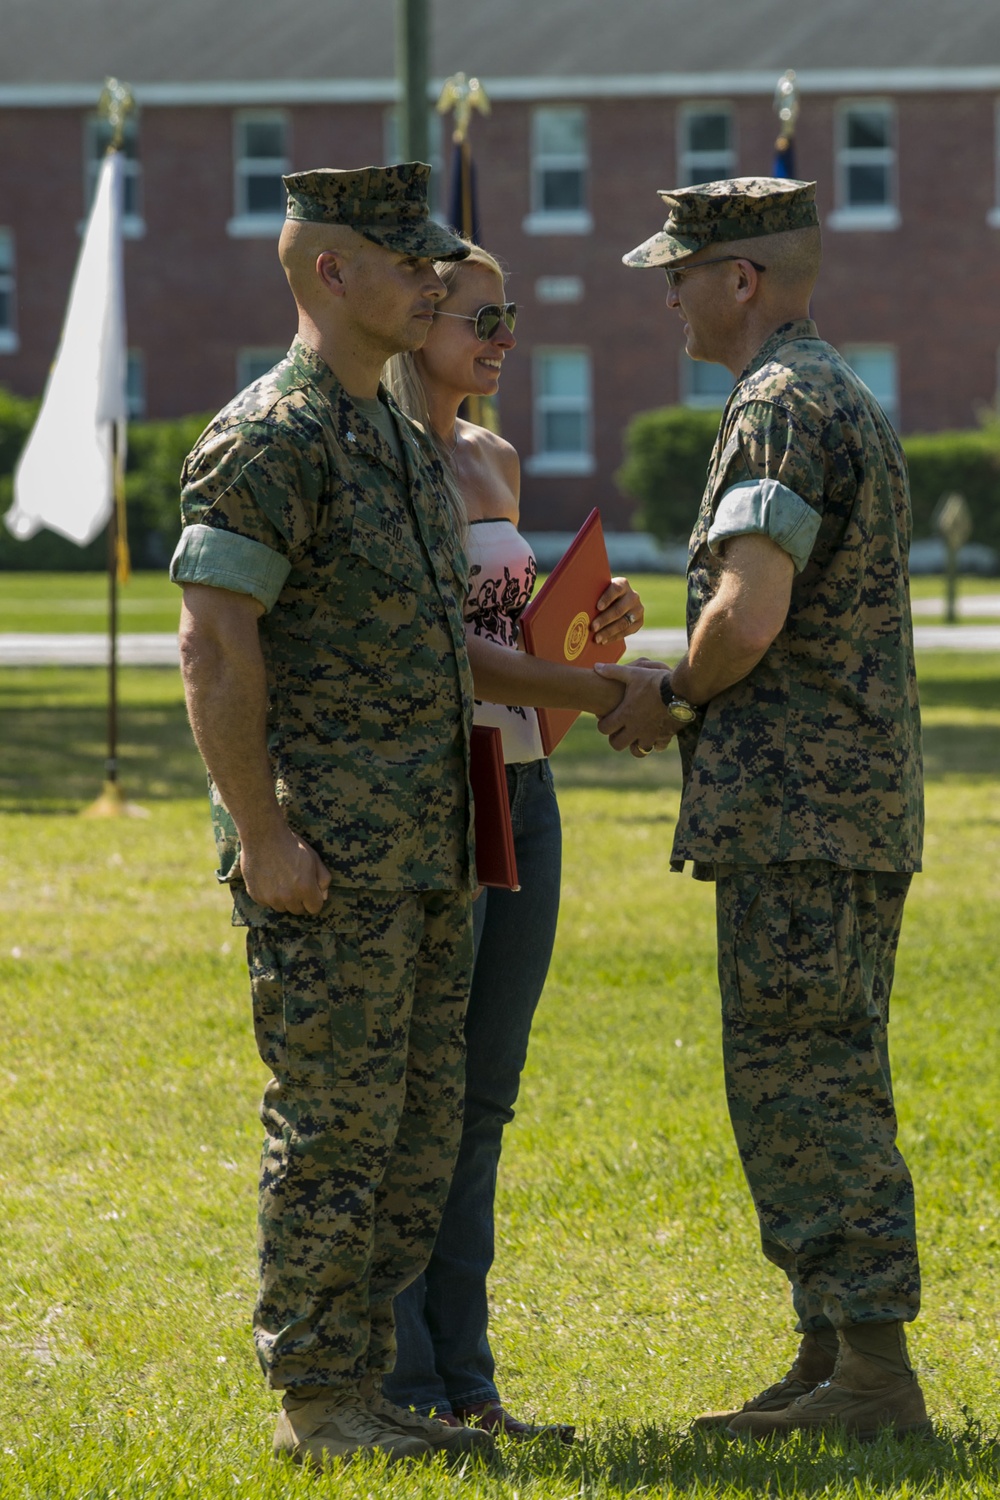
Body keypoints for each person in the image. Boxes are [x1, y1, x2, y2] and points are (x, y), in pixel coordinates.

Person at [169, 163, 499, 1471]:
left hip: (423, 859)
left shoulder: (401, 443)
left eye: (436, 264)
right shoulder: (271, 437)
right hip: (326, 860)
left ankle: (370, 1388)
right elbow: (213, 645)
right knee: (337, 1130)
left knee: (418, 1132)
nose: (433, 282)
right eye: (409, 262)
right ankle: (319, 1400)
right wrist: (261, 834)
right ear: (329, 273)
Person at [596, 177, 929, 1441]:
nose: (668, 293)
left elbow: (748, 610)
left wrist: (667, 692)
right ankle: (827, 1352)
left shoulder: (779, 406)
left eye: (679, 272)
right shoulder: (829, 390)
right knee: (813, 1072)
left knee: (806, 1085)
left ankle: (871, 1377)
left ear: (740, 279)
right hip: (837, 805)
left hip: (801, 810)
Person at [379, 242, 644, 1437]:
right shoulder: (387, 460)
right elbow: (445, 647)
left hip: (525, 786)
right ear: (417, 316)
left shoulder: (494, 454)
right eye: (477, 314)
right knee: (420, 1091)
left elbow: (518, 645)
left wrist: (591, 630)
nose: (499, 332)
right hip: (443, 790)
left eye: (508, 313)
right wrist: (592, 689)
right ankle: (404, 1380)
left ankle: (471, 1385)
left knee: (485, 1094)